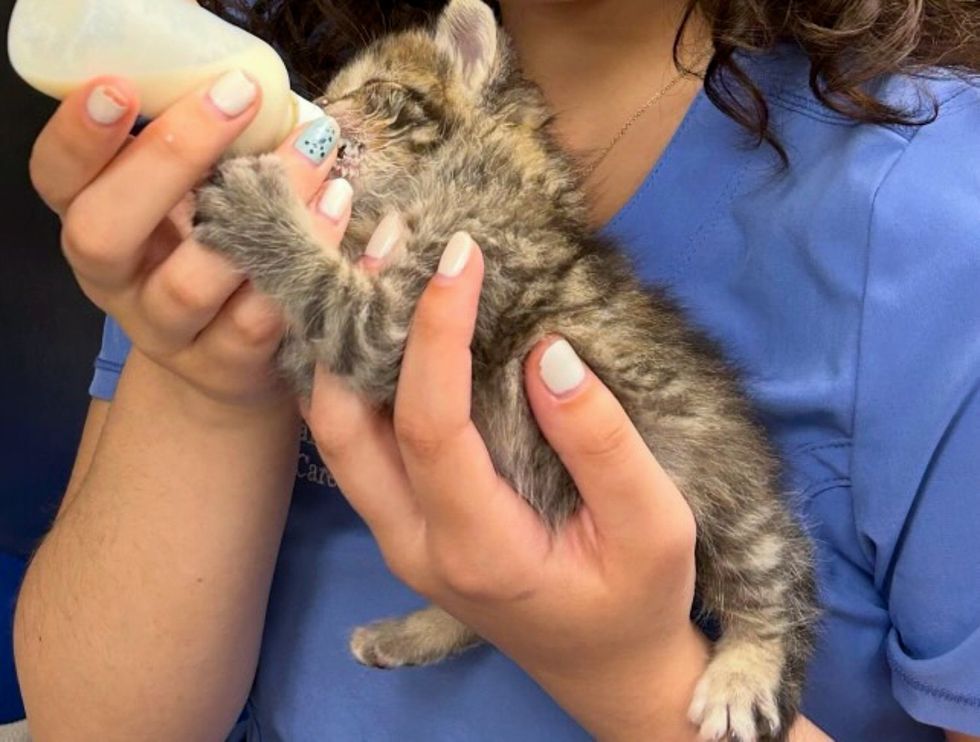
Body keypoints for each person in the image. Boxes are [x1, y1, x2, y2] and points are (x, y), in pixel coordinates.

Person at [12, 0, 980, 739]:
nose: (338, 122)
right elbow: (95, 721)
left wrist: (626, 671)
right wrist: (210, 384)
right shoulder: (285, 116)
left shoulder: (936, 225)